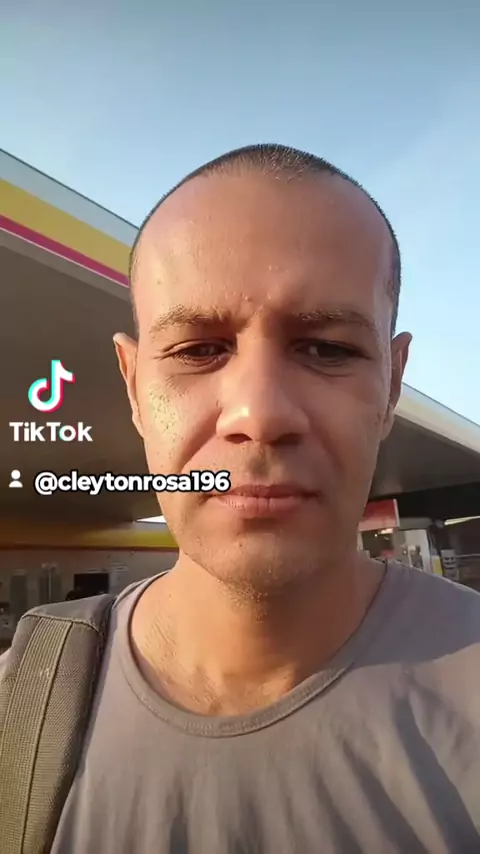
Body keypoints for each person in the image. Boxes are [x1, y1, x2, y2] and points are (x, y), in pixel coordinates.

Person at [1, 143, 480, 853]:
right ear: (134, 388)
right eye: (198, 350)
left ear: (392, 383)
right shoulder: (20, 710)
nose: (259, 414)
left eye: (327, 348)